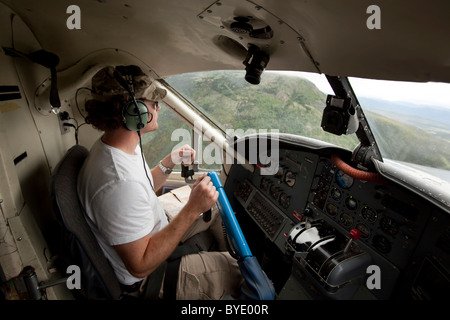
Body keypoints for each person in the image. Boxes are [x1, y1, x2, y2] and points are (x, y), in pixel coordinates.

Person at [77, 65, 242, 299]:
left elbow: (142, 189)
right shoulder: (118, 182)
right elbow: (140, 265)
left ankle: (221, 263)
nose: (159, 107)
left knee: (215, 205)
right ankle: (228, 273)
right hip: (149, 277)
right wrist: (193, 208)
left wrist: (169, 161)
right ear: (133, 110)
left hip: (155, 229)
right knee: (235, 268)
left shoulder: (116, 148)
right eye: (154, 103)